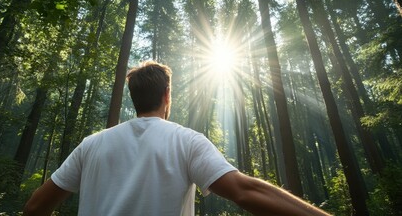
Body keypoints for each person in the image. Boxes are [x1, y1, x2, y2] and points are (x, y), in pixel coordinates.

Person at [23, 61, 330, 216]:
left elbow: (36, 207)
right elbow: (245, 191)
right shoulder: (186, 141)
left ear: (134, 98)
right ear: (167, 96)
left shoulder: (91, 144)